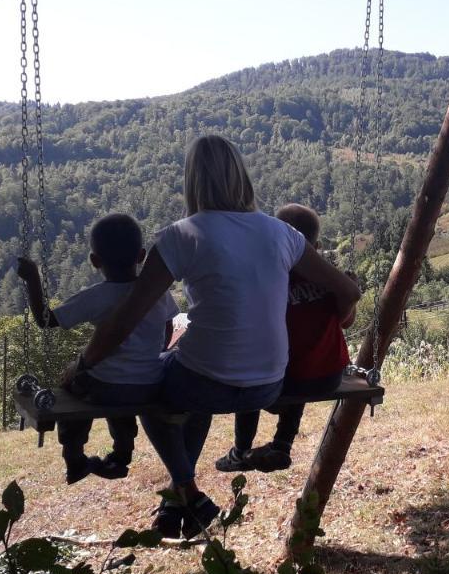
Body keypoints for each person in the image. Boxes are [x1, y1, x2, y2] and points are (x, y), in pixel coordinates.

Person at [64, 136, 360, 539]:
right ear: (242, 177)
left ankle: (188, 491)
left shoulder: (180, 236)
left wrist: (82, 366)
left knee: (154, 386)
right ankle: (173, 505)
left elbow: (123, 321)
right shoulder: (283, 234)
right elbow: (350, 291)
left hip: (207, 382)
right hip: (267, 385)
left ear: (192, 182)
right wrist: (339, 320)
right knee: (195, 377)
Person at [16, 213, 178, 484]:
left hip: (105, 386)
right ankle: (121, 455)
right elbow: (170, 326)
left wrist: (32, 279)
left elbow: (46, 320)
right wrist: (152, 354)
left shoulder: (96, 297)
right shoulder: (157, 292)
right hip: (149, 383)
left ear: (94, 261)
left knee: (72, 390)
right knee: (124, 403)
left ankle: (75, 456)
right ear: (141, 256)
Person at [215, 203, 354, 474]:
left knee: (253, 374)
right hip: (328, 377)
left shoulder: (270, 278)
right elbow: (346, 322)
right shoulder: (330, 279)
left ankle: (241, 450)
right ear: (317, 244)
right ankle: (282, 444)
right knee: (302, 364)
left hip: (282, 382)